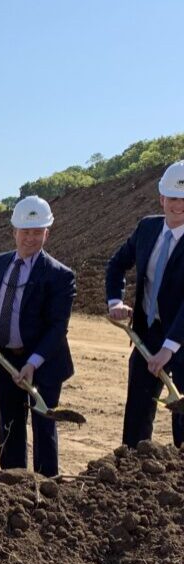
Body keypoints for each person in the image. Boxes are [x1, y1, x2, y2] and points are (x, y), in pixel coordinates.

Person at [0, 196, 76, 476]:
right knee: (9, 424)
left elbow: (57, 327)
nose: (30, 238)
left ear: (47, 233)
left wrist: (32, 363)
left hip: (43, 364)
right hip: (5, 360)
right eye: (25, 231)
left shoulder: (60, 275)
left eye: (37, 232)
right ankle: (12, 485)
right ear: (14, 232)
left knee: (44, 424)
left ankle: (46, 485)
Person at [107, 160, 184, 447]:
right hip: (146, 332)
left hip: (181, 338)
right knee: (137, 414)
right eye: (173, 198)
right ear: (162, 198)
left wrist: (169, 348)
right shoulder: (147, 228)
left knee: (182, 418)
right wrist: (115, 301)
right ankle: (131, 473)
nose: (178, 206)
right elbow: (116, 265)